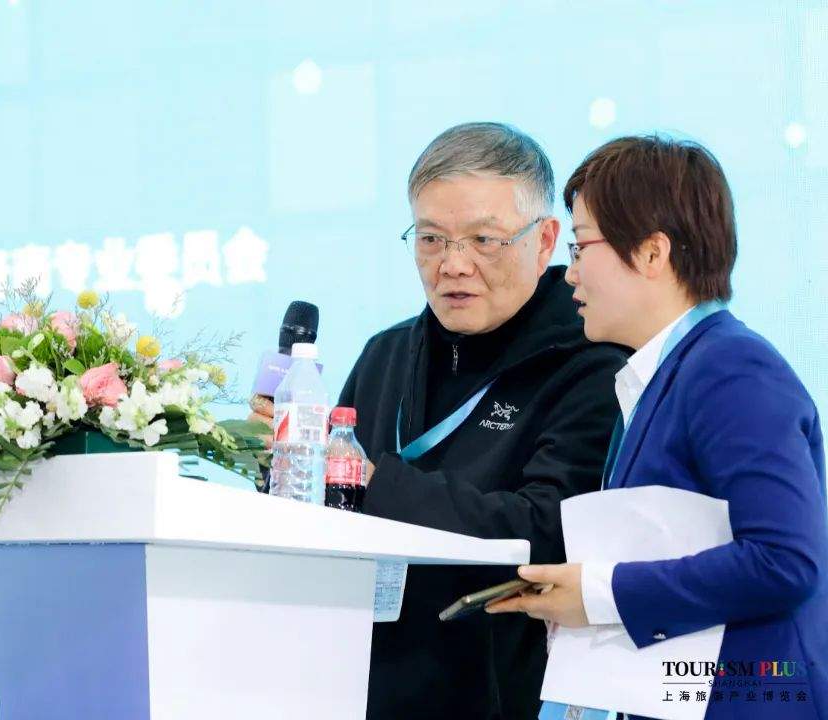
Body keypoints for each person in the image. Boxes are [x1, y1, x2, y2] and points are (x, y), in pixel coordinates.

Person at [487, 135, 828, 720]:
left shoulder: (731, 367)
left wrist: (598, 594)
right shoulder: (666, 374)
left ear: (652, 253)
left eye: (582, 246)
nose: (570, 274)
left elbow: (786, 561)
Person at [249, 122, 626, 719]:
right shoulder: (386, 354)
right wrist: (288, 470)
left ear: (545, 240)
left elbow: (548, 528)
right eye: (430, 239)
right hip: (364, 689)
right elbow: (334, 521)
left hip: (508, 696)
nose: (452, 264)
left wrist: (374, 483)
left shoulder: (592, 362)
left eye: (483, 240)